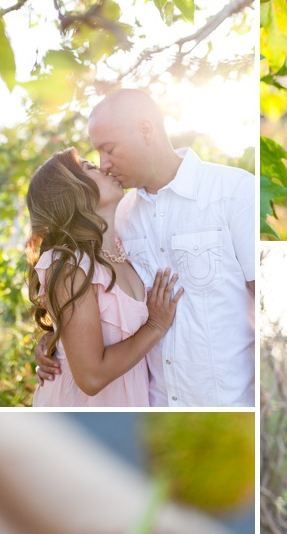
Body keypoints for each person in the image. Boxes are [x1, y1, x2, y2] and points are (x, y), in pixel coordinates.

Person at [36, 89, 255, 407]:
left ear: (146, 130)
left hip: (228, 405)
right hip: (154, 406)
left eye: (108, 150)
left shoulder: (233, 192)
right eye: (96, 157)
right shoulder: (118, 219)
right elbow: (88, 306)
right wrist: (57, 342)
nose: (104, 164)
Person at [26, 147, 182, 407]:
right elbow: (91, 377)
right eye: (89, 167)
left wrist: (54, 340)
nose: (103, 167)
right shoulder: (68, 264)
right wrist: (155, 326)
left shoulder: (126, 244)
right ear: (72, 192)